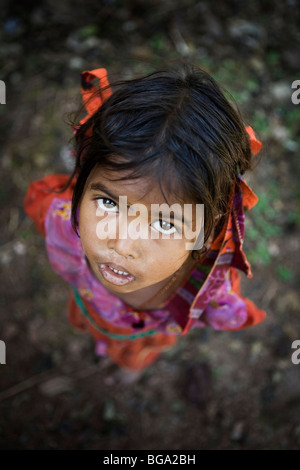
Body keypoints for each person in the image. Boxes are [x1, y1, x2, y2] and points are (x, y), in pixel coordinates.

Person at [24, 64, 266, 372]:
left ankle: (128, 363)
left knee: (134, 355)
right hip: (93, 312)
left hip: (144, 337)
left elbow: (228, 312)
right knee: (91, 327)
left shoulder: (207, 285)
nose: (122, 244)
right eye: (109, 202)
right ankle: (102, 345)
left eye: (165, 223)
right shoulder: (61, 220)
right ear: (82, 184)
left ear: (205, 230)